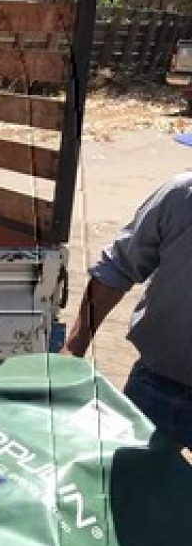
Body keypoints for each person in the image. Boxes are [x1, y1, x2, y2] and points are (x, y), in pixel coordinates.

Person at [62, 170, 192, 449]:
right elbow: (119, 266)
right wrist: (73, 348)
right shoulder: (182, 195)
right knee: (127, 486)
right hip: (155, 387)